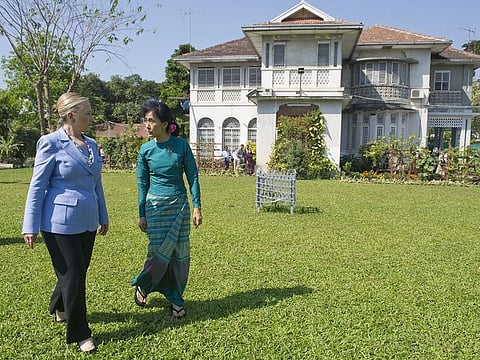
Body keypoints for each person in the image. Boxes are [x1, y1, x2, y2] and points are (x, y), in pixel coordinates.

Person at [22, 92, 109, 354]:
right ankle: (81, 332)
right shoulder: (50, 143)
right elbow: (37, 186)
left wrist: (103, 215)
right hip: (58, 223)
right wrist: (30, 225)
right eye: (88, 113)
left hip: (88, 221)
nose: (91, 117)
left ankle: (59, 306)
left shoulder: (91, 145)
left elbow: (97, 184)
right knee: (74, 276)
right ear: (71, 115)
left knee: (75, 272)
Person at [130, 99, 202, 319]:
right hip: (155, 209)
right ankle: (145, 285)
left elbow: (193, 176)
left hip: (178, 207)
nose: (147, 125)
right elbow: (142, 183)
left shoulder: (180, 146)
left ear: (164, 123)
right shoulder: (145, 150)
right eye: (146, 121)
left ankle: (176, 298)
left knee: (179, 254)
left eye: (151, 120)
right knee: (157, 253)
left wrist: (197, 206)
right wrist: (142, 213)